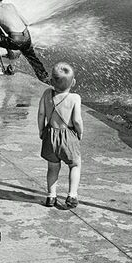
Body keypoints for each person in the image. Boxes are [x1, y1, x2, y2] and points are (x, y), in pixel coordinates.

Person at [38, 62, 83, 209]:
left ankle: (51, 196)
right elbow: (76, 120)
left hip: (50, 134)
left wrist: (41, 130)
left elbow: (41, 114)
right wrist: (80, 133)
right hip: (68, 136)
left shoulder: (46, 94)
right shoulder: (75, 98)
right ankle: (72, 195)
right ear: (74, 82)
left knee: (52, 167)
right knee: (75, 164)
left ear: (51, 82)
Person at [0, 0, 49, 82]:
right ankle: (45, 79)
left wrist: (9, 51)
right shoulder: (11, 6)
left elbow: (0, 33)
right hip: (26, 36)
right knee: (32, 58)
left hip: (15, 39)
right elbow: (26, 22)